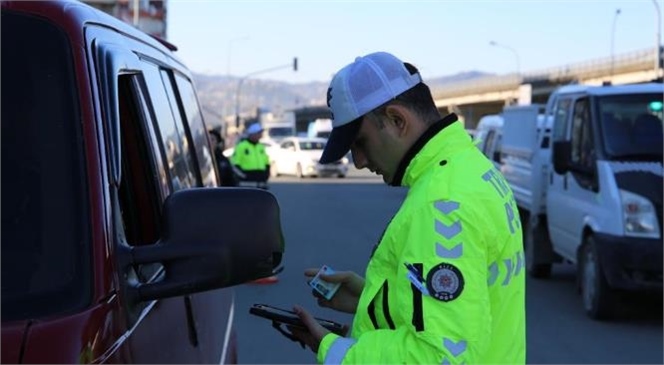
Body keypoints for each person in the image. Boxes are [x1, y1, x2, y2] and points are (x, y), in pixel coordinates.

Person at [287, 52, 525, 364]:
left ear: (397, 120)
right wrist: (368, 297)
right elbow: (469, 302)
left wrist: (335, 350)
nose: (358, 161)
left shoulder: (441, 205)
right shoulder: (470, 167)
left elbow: (441, 356)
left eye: (360, 142)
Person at [231, 123, 270, 189]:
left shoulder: (261, 147)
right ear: (252, 134)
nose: (260, 135)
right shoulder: (241, 146)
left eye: (260, 133)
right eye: (258, 133)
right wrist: (244, 176)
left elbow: (266, 162)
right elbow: (234, 164)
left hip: (261, 184)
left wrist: (266, 174)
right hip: (246, 184)